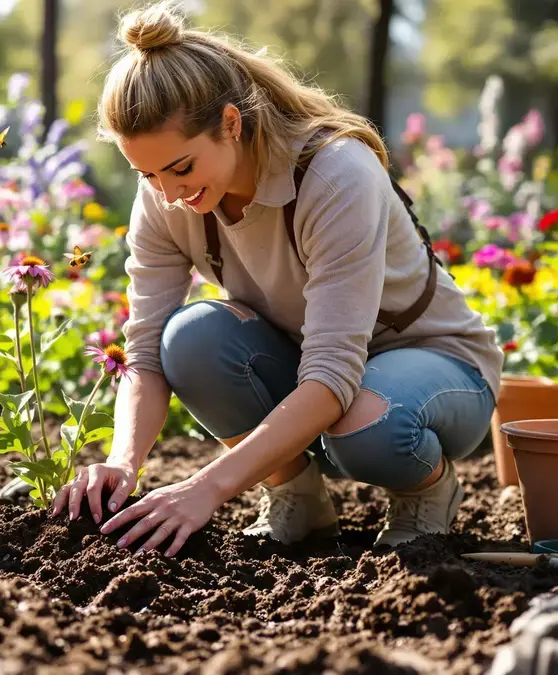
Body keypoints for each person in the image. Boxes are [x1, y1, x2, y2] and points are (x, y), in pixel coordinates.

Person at [47, 1, 505, 558]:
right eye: (147, 173)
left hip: (435, 365)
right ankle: (298, 499)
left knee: (363, 424)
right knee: (188, 339)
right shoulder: (165, 195)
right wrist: (123, 461)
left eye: (182, 168)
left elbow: (335, 371)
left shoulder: (335, 174)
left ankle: (427, 493)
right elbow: (143, 352)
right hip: (317, 368)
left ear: (231, 125)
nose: (168, 193)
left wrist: (207, 487)